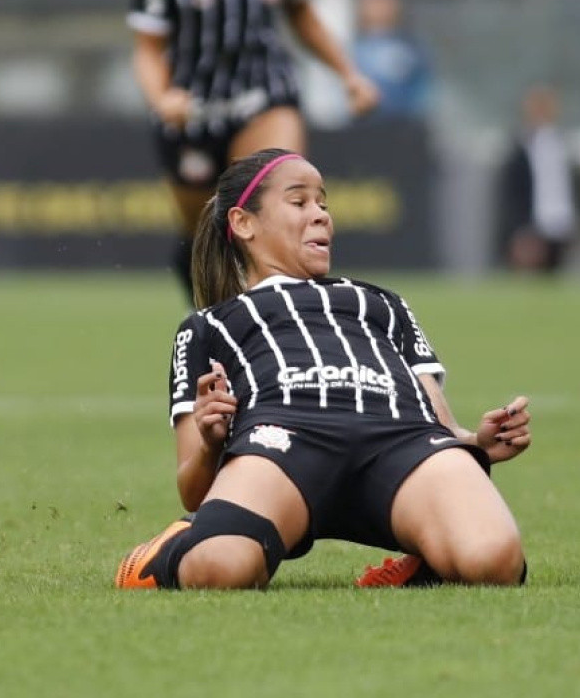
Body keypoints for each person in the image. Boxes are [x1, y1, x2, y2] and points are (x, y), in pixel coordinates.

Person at [115, 148, 532, 590]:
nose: (321, 216)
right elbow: (192, 488)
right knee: (221, 568)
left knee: (495, 563)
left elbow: (438, 417)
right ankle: (170, 552)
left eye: (323, 204)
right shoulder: (209, 325)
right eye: (299, 203)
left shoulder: (382, 302)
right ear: (243, 223)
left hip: (399, 441)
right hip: (280, 444)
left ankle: (426, 557)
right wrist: (210, 444)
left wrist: (477, 442)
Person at [128, 0, 380, 303]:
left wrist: (349, 75)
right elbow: (149, 47)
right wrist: (161, 98)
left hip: (264, 96)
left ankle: (288, 312)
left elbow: (301, 14)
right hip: (192, 112)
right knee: (205, 229)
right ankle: (210, 314)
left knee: (278, 191)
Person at [498, 85, 577, 272]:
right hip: (530, 226)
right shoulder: (519, 147)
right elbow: (511, 193)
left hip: (560, 223)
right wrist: (519, 229)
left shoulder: (562, 144)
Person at [352, 0, 433, 119]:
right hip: (359, 126)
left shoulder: (412, 48)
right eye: (374, 1)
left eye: (386, 1)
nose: (380, 8)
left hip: (400, 127)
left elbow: (424, 92)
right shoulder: (348, 47)